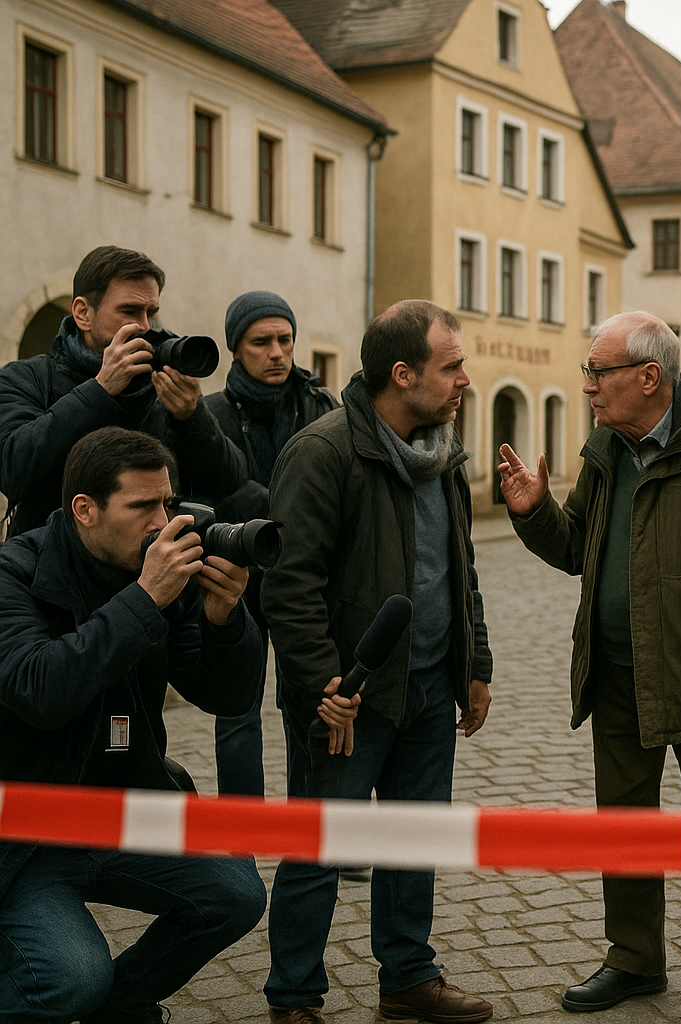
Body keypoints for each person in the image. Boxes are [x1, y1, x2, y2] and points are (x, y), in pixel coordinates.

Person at [498, 311, 681, 1024]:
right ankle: (633, 959)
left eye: (600, 373)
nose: (588, 386)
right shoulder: (606, 449)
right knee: (622, 824)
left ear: (648, 378)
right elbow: (574, 550)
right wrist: (534, 513)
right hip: (616, 672)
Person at [261, 300, 494, 1024]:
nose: (464, 379)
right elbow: (288, 583)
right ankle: (294, 995)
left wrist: (475, 661)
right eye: (450, 366)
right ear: (403, 374)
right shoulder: (324, 451)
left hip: (427, 689)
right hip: (348, 700)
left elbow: (462, 566)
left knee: (411, 840)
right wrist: (322, 686)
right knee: (318, 850)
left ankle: (408, 980)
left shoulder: (443, 451)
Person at [0, 426, 267, 1023]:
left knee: (236, 894)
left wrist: (227, 621)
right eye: (143, 506)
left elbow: (224, 696)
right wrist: (144, 599)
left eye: (168, 502)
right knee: (71, 976)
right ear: (85, 510)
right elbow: (40, 689)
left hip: (122, 813)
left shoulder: (154, 574)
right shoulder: (14, 574)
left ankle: (116, 1007)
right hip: (26, 836)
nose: (162, 521)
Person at [0, 246, 245, 539]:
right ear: (82, 314)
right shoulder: (27, 378)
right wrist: (100, 390)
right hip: (52, 568)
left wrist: (191, 416)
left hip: (148, 564)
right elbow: (14, 473)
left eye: (151, 313)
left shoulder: (159, 380)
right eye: (129, 311)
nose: (144, 326)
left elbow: (229, 482)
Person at [201, 291, 338, 799]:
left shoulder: (320, 408)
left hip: (305, 583)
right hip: (237, 580)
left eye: (285, 339)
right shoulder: (209, 415)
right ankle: (241, 836)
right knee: (236, 713)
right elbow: (206, 497)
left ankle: (319, 830)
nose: (277, 351)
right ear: (236, 348)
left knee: (311, 705)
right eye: (262, 341)